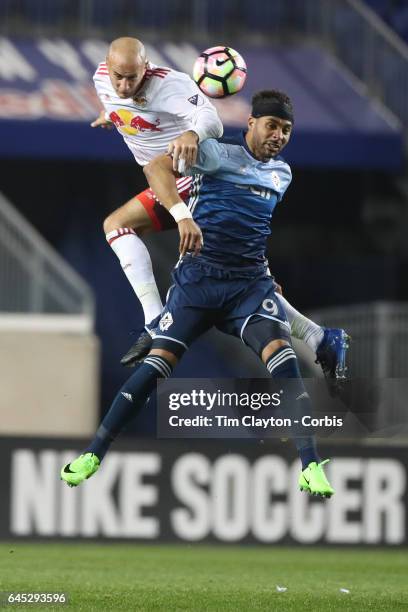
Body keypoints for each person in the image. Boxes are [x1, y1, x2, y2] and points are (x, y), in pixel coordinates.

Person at [62, 89, 335, 497]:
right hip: (198, 283)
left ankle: (311, 466)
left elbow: (251, 229)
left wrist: (265, 272)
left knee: (285, 363)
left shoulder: (283, 174)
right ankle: (94, 454)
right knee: (152, 370)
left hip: (247, 286)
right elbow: (156, 166)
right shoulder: (215, 154)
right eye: (272, 125)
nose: (278, 135)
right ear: (252, 124)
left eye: (286, 129)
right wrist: (182, 212)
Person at [93, 37, 349, 384]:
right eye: (118, 78)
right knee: (240, 274)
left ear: (146, 67)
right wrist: (113, 114)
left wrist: (192, 134)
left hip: (182, 175)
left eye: (132, 78)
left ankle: (154, 320)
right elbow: (122, 102)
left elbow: (210, 119)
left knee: (117, 225)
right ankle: (318, 335)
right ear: (109, 68)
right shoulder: (101, 80)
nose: (124, 85)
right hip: (163, 180)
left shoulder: (171, 85)